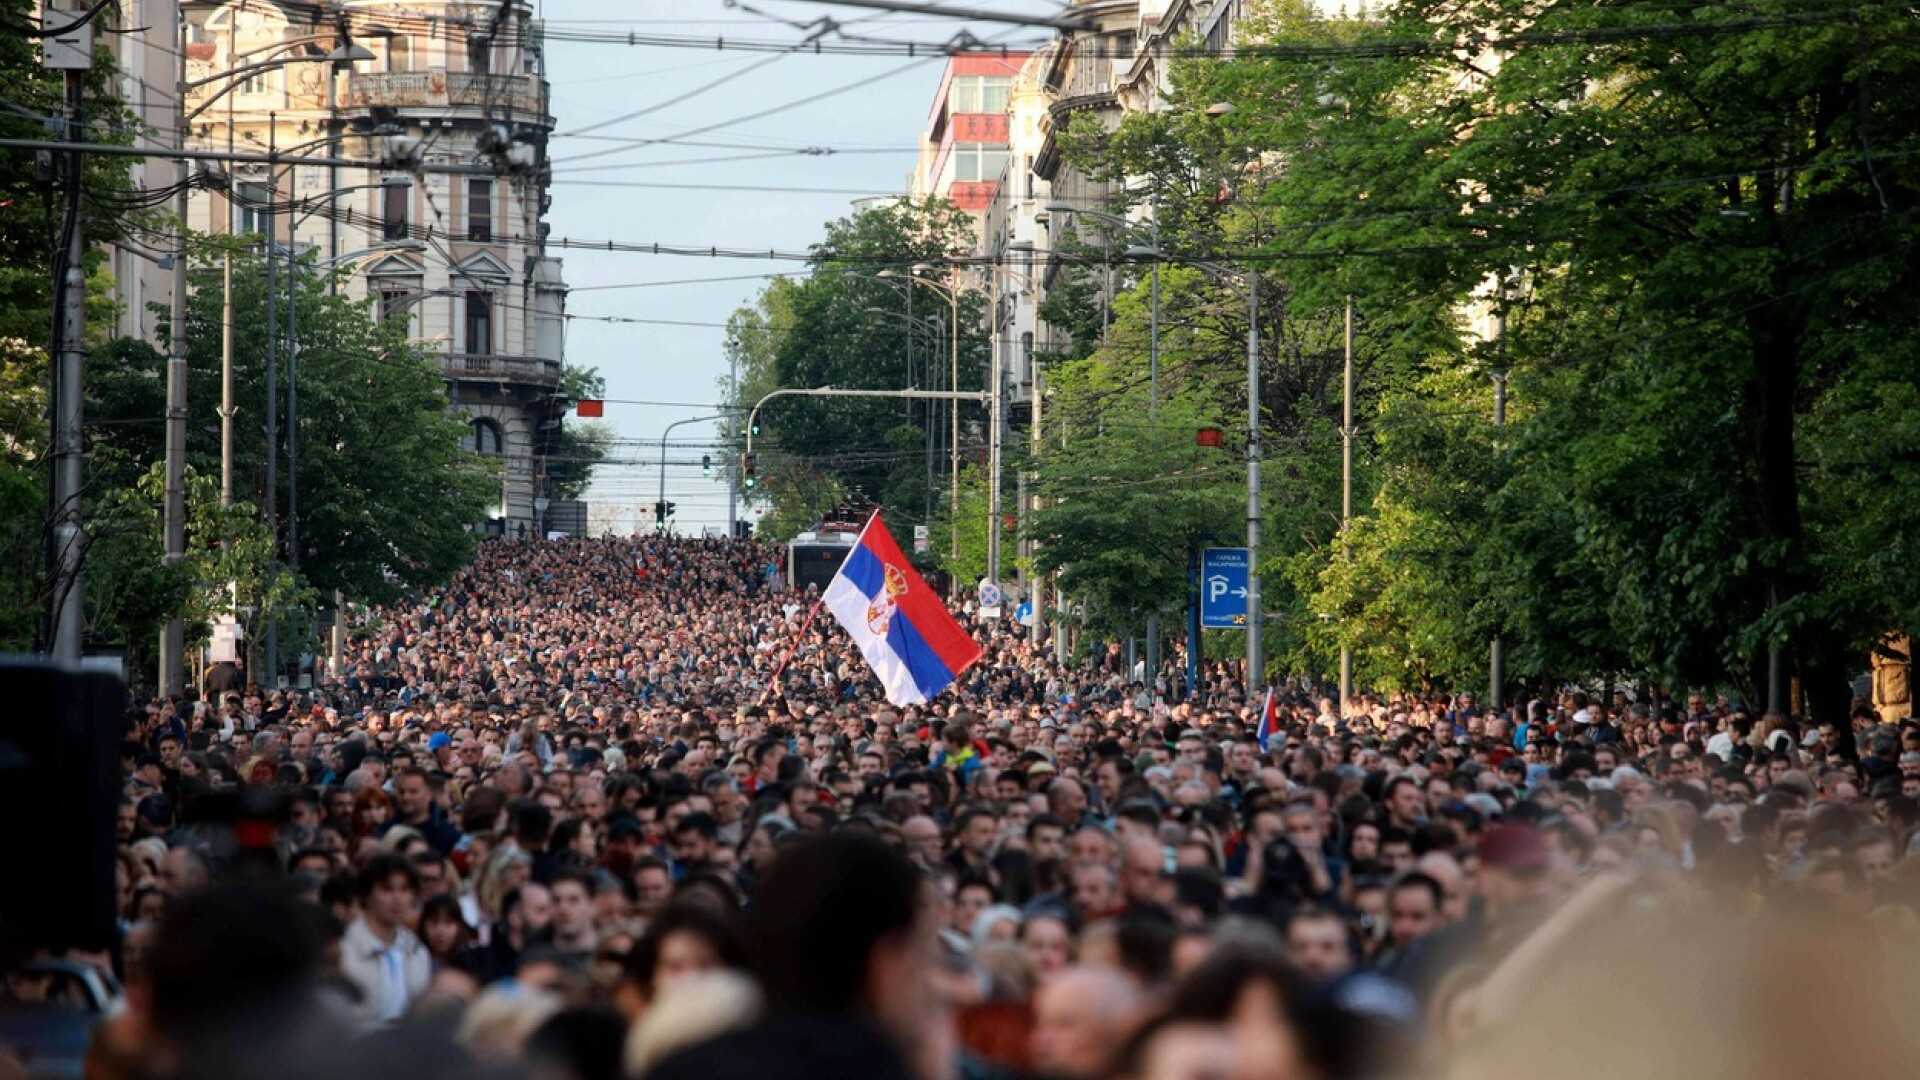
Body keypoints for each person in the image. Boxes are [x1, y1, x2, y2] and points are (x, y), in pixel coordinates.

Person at [339, 853, 432, 1025]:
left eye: (405, 890)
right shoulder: (343, 950)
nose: (398, 899)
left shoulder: (417, 950)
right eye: (387, 889)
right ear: (367, 895)